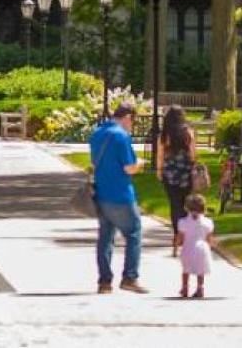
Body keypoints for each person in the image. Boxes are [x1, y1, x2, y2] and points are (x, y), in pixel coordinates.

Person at [89, 103, 148, 294]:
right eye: (133, 121)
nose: (132, 126)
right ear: (128, 117)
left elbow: (93, 162)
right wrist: (140, 164)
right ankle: (130, 277)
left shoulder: (97, 134)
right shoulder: (121, 136)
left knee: (105, 237)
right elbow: (129, 167)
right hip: (121, 193)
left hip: (101, 193)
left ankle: (104, 282)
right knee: (134, 232)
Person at [157, 105, 196, 257]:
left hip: (170, 172)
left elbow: (160, 155)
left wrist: (160, 171)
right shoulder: (188, 132)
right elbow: (193, 154)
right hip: (185, 171)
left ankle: (176, 234)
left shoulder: (165, 135)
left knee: (174, 205)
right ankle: (186, 234)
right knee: (186, 203)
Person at [178, 194, 213, 299]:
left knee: (186, 269)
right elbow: (209, 238)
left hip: (188, 247)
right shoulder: (208, 222)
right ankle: (200, 287)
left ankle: (185, 287)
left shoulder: (183, 222)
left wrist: (178, 244)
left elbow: (181, 237)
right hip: (202, 247)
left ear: (186, 207)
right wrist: (210, 246)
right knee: (200, 269)